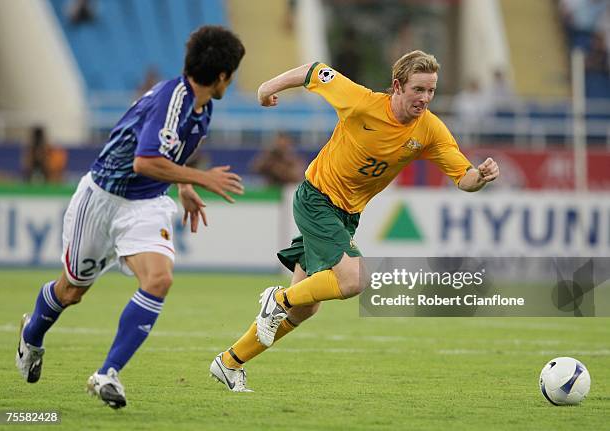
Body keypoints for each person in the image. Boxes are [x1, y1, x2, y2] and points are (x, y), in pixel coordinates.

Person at [209, 51, 499, 392]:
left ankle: (230, 362)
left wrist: (480, 176)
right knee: (354, 280)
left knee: (306, 309)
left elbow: (463, 177)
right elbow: (313, 71)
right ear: (397, 86)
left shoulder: (430, 130)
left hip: (346, 216)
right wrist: (265, 89)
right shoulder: (360, 102)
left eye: (431, 91)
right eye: (418, 89)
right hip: (317, 198)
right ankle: (277, 300)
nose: (425, 98)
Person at [16, 26, 245, 409]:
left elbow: (170, 156)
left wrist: (185, 186)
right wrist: (200, 178)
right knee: (71, 291)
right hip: (102, 198)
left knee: (159, 279)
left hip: (146, 204)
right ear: (222, 76)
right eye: (232, 74)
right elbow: (145, 160)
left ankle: (107, 373)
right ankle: (32, 334)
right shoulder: (173, 100)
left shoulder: (202, 109)